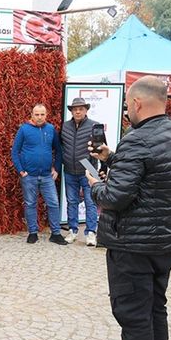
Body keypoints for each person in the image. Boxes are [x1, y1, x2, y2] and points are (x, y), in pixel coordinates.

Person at [87, 76, 171, 340]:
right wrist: (112, 158)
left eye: (128, 105)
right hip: (166, 243)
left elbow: (114, 198)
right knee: (156, 306)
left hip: (135, 246)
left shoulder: (138, 139)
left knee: (134, 315)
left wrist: (95, 184)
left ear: (136, 103)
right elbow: (150, 175)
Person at [10, 104, 66, 245]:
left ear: (46, 115)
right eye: (37, 114)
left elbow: (59, 151)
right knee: (30, 204)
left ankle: (56, 233)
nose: (40, 117)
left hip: (47, 175)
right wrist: (21, 171)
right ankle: (33, 232)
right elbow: (15, 151)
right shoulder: (24, 129)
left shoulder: (51, 129)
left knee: (53, 203)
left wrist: (56, 169)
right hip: (29, 176)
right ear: (32, 115)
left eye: (42, 114)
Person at [60, 97, 99, 246]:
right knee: (72, 201)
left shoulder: (94, 125)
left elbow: (100, 148)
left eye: (81, 108)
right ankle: (73, 230)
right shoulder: (65, 126)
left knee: (91, 202)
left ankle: (91, 233)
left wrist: (101, 168)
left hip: (89, 167)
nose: (78, 111)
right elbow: (62, 146)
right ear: (71, 111)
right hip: (70, 168)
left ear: (86, 110)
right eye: (75, 109)